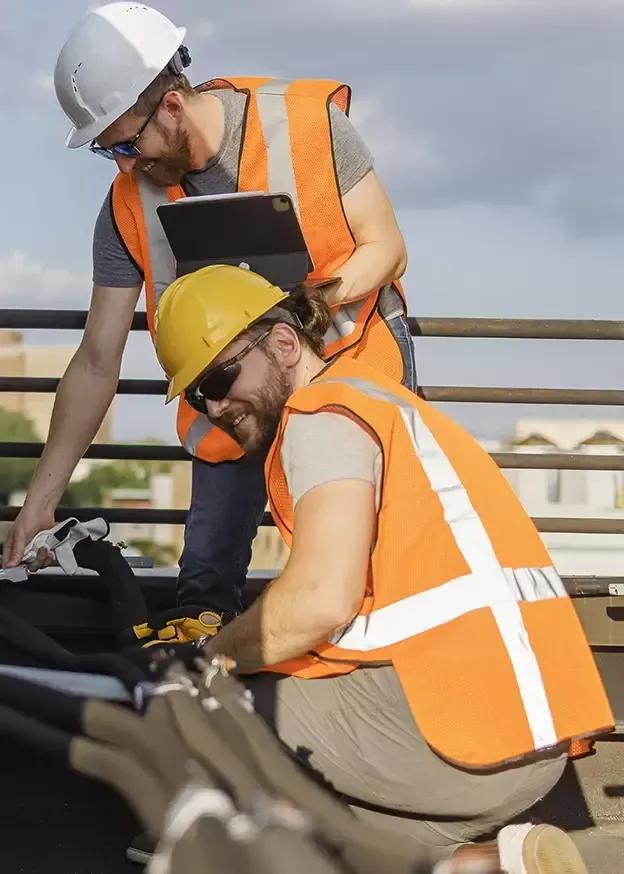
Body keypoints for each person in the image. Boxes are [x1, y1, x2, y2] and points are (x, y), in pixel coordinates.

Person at [153, 263, 614, 873]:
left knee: (196, 705)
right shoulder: (380, 401)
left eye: (220, 376)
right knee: (313, 827)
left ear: (285, 342)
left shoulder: (322, 417)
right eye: (197, 395)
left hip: (457, 731)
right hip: (530, 737)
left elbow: (320, 599)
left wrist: (208, 658)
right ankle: (494, 864)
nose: (214, 405)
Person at [2, 2, 414, 627]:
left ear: (171, 105)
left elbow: (386, 247)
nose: (124, 165)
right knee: (202, 599)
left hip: (345, 378)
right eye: (108, 152)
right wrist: (41, 500)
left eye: (127, 144)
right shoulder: (127, 205)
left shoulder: (307, 127)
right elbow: (96, 361)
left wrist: (310, 302)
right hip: (228, 402)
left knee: (365, 583)